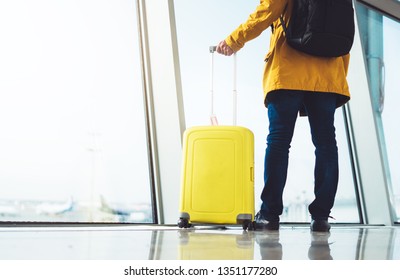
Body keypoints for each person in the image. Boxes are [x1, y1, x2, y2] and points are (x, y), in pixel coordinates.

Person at [216, 0, 350, 232]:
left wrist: (234, 40)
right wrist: (336, 78)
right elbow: (344, 32)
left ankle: (269, 214)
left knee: (278, 143)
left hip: (289, 70)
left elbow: (268, 10)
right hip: (328, 74)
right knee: (326, 145)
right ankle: (321, 217)